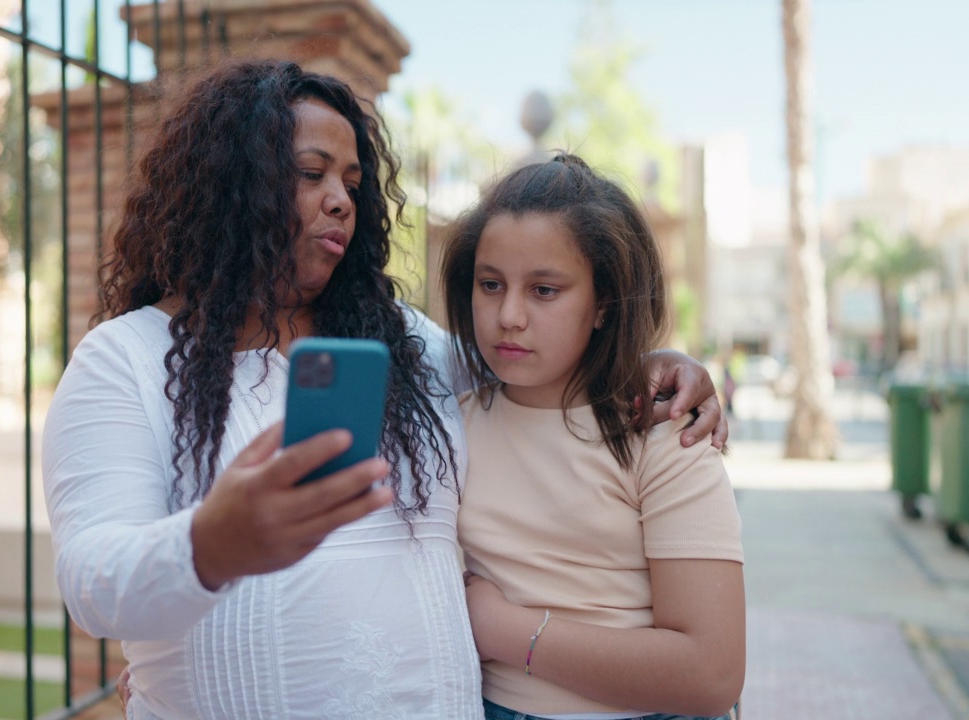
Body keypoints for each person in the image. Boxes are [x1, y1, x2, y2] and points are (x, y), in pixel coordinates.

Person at [42, 60, 727, 720]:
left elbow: (546, 369)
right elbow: (94, 583)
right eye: (310, 174)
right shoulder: (124, 361)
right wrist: (210, 543)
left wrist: (653, 362)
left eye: (351, 180)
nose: (340, 198)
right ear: (228, 185)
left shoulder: (405, 343)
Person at [444, 155, 745, 720]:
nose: (509, 314)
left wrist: (507, 631)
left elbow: (712, 674)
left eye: (545, 290)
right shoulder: (445, 430)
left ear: (603, 301)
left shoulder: (660, 434)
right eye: (491, 285)